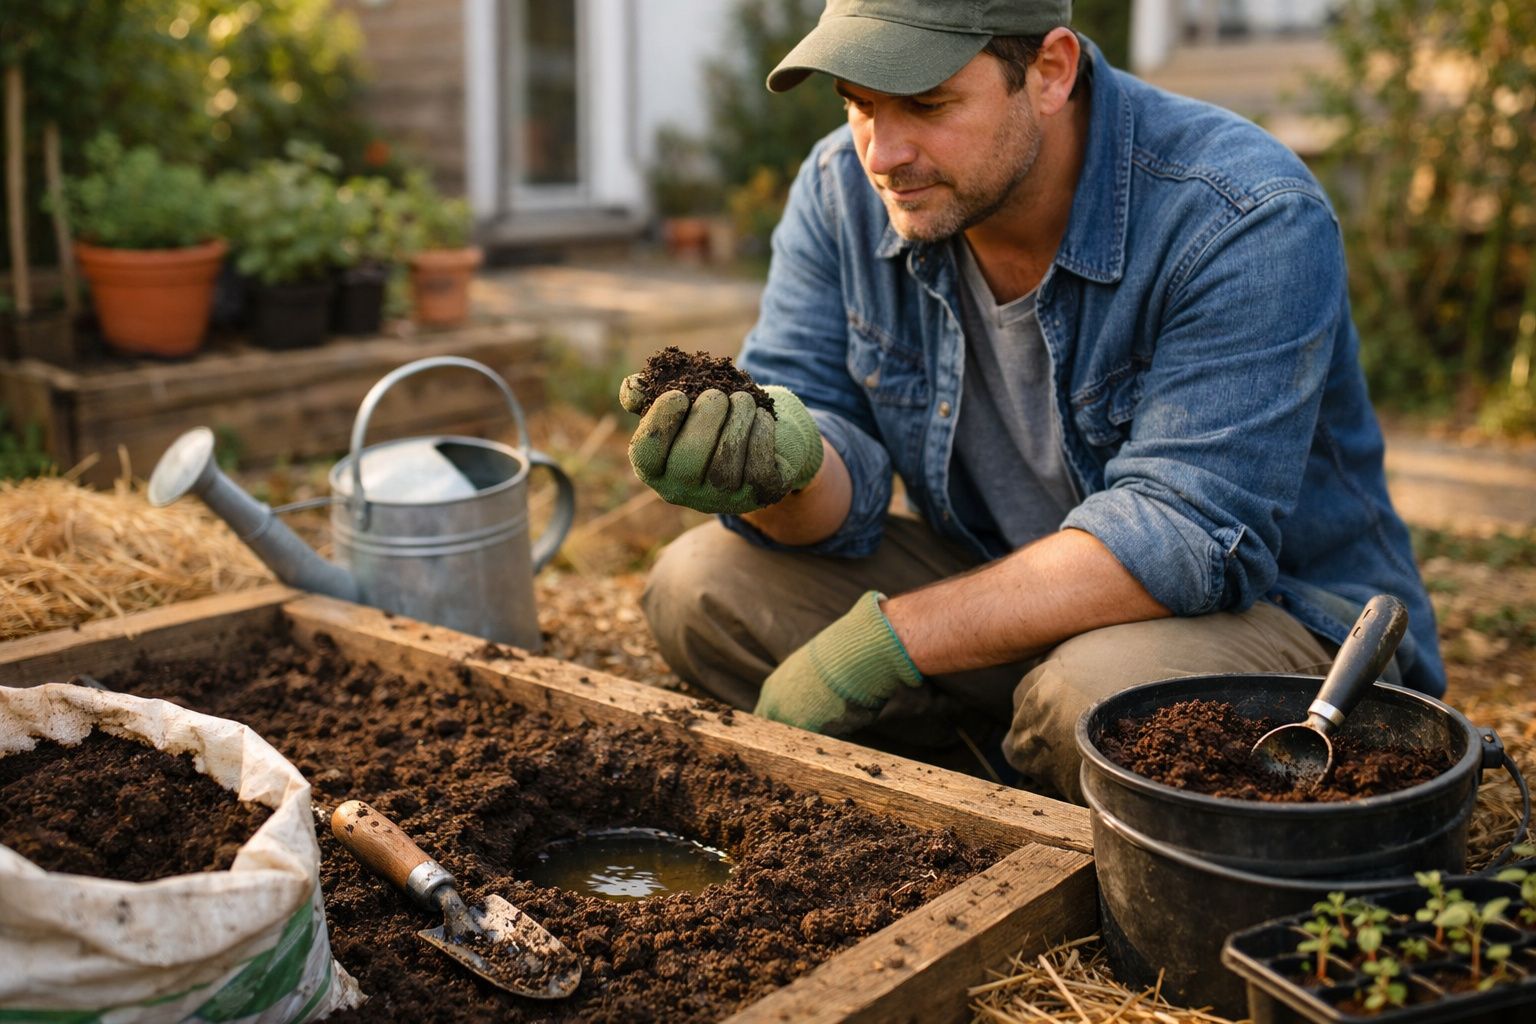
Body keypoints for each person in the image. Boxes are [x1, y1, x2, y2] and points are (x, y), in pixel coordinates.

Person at [618, 0, 1444, 802]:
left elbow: (1184, 535)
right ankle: (983, 782)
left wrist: (882, 645)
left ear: (1050, 71)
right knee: (701, 587)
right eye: (859, 105)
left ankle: (1025, 769)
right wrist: (781, 467)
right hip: (1012, 595)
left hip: (1277, 622)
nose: (882, 152)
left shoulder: (1243, 214)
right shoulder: (841, 188)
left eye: (927, 103)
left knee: (1088, 698)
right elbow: (828, 479)